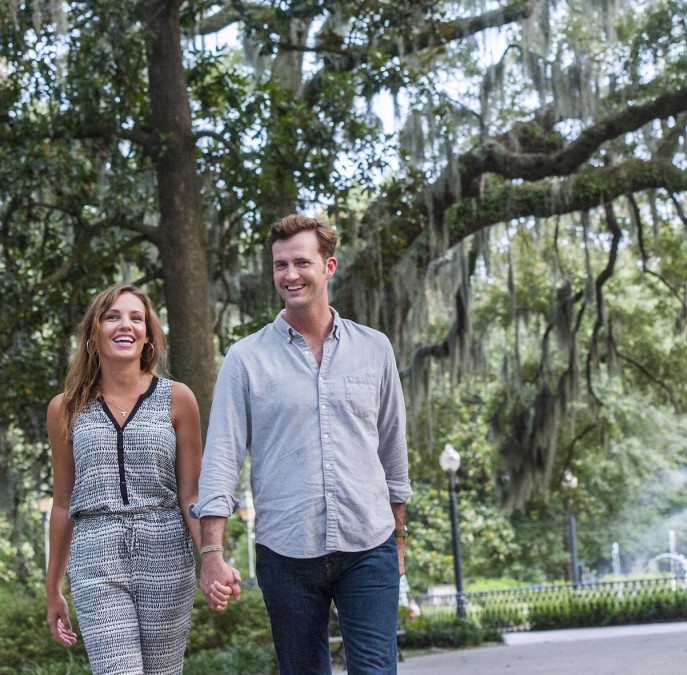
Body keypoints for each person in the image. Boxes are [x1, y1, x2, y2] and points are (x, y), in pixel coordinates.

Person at [191, 214, 413, 674]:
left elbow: (393, 450)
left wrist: (399, 537)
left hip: (368, 544)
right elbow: (220, 460)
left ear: (328, 267)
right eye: (279, 266)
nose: (290, 275)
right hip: (285, 552)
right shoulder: (245, 359)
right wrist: (212, 554)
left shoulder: (375, 350)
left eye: (301, 263)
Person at [44, 284, 203, 674]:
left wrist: (213, 558)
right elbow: (63, 502)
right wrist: (53, 589)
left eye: (136, 318)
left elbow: (191, 495)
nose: (125, 325)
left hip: (166, 551)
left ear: (148, 335)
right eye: (112, 316)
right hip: (95, 553)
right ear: (93, 331)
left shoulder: (178, 398)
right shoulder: (65, 407)